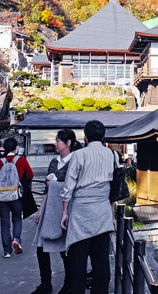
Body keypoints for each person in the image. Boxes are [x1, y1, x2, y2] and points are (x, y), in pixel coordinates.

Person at [61, 120, 115, 294]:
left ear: (85, 137)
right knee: (101, 260)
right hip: (102, 211)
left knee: (78, 260)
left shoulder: (79, 155)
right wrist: (112, 214)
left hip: (81, 212)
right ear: (103, 136)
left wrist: (64, 212)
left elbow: (68, 186)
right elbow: (115, 189)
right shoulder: (112, 155)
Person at [31, 129, 82, 294]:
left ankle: (69, 283)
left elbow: (72, 184)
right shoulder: (54, 161)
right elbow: (46, 189)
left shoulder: (76, 161)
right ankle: (45, 283)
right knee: (41, 247)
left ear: (68, 143)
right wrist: (40, 210)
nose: (55, 143)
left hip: (67, 209)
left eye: (58, 141)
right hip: (50, 208)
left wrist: (55, 180)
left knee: (64, 250)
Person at [0, 137, 34, 258]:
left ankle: (7, 251)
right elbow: (30, 175)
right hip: (16, 196)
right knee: (17, 218)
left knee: (4, 223)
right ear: (16, 148)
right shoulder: (21, 160)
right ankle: (16, 239)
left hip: (1, 196)